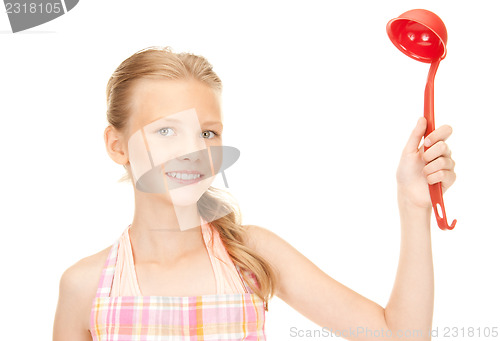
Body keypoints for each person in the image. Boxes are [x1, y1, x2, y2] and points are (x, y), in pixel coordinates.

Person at [53, 46, 456, 341]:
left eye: (207, 133)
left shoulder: (252, 255)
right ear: (117, 145)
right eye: (166, 130)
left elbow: (400, 336)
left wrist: (413, 204)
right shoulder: (85, 286)